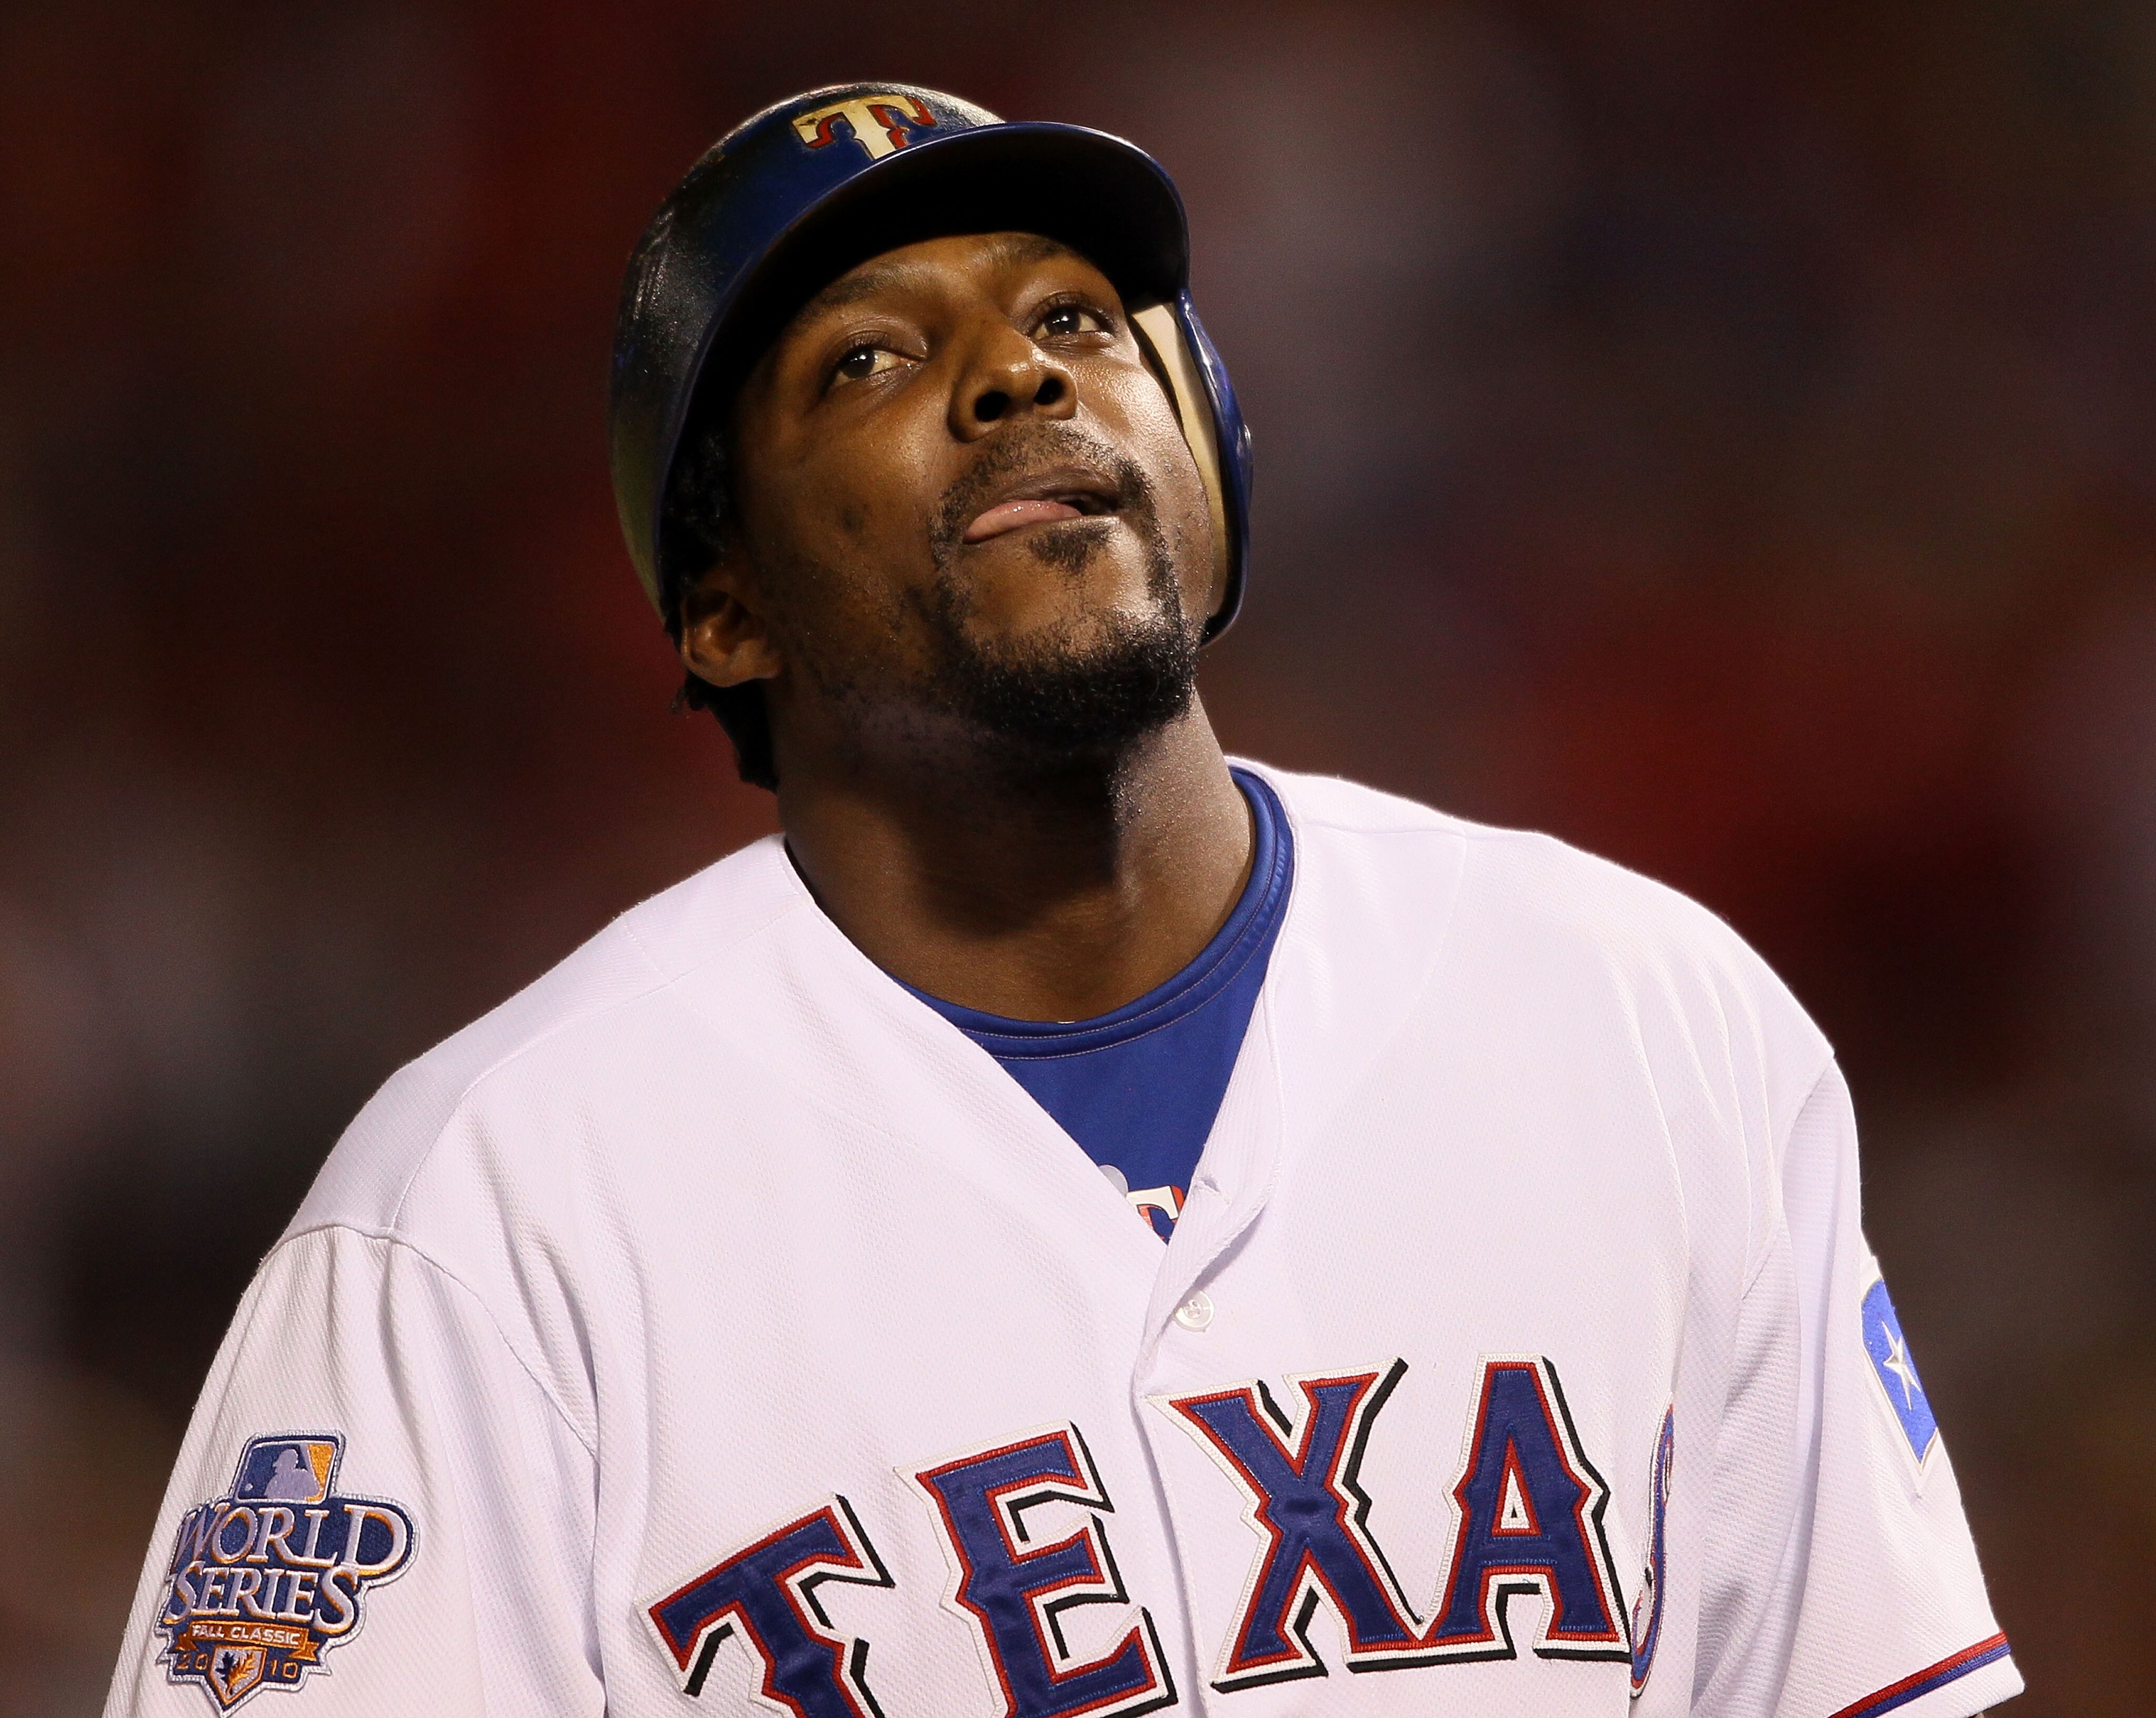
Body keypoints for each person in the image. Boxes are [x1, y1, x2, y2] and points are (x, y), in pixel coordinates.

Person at [105, 83, 2019, 1718]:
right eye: (868, 358)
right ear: (724, 607)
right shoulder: (482, 1219)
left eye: (1081, 319)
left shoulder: (1644, 1021)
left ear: (1209, 464)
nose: (1017, 369)